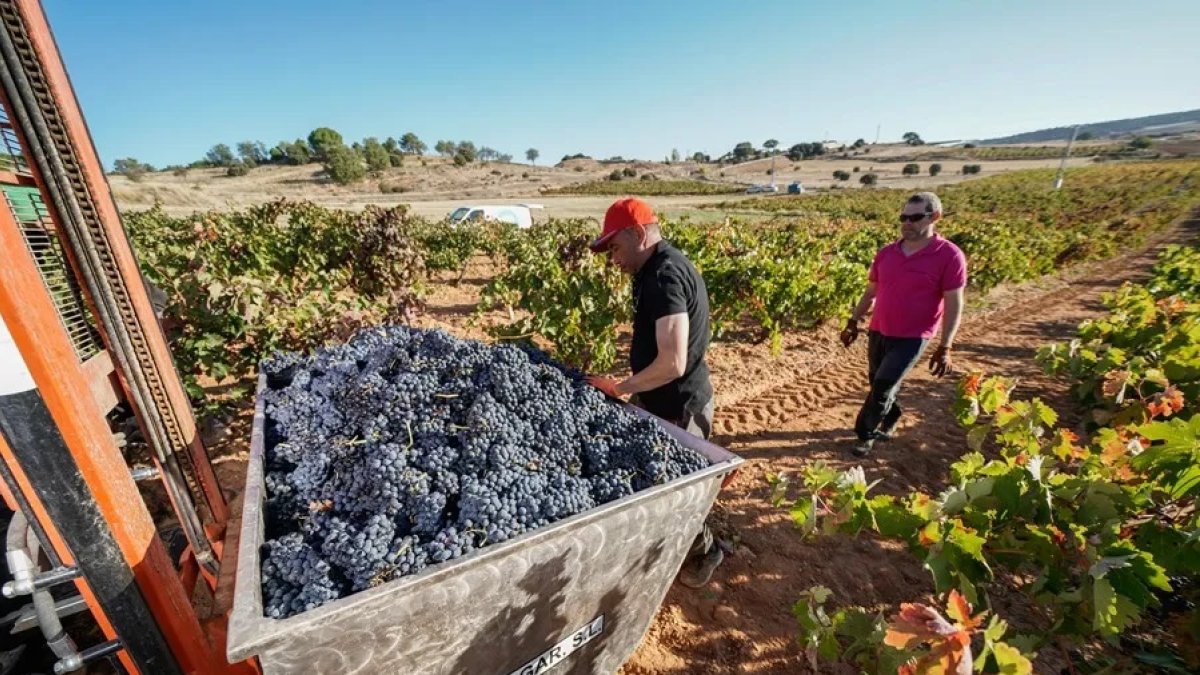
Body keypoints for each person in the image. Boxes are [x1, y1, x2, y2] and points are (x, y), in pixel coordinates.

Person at [584, 197, 723, 587]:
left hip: (680, 406)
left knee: (679, 495)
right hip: (658, 398)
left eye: (614, 246)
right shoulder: (657, 269)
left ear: (638, 234)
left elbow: (673, 362)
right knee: (651, 480)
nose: (612, 257)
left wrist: (620, 387)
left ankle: (707, 551)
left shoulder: (663, 276)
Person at [840, 191, 966, 458]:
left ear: (935, 217)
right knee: (877, 381)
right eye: (904, 217)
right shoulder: (887, 253)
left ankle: (865, 434)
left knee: (884, 384)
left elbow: (954, 303)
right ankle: (892, 415)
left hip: (914, 336)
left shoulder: (949, 256)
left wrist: (945, 346)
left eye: (915, 217)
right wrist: (853, 320)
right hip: (879, 329)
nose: (907, 223)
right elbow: (871, 292)